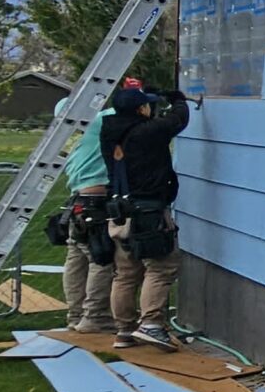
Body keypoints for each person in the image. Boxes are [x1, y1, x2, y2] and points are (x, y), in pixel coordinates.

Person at [102, 82, 194, 350]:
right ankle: (151, 325)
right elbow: (177, 120)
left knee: (126, 272)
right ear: (140, 108)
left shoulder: (110, 132)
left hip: (120, 212)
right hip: (149, 212)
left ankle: (124, 331)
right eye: (147, 104)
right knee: (162, 266)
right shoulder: (147, 132)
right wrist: (178, 99)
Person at [51, 92, 119, 335]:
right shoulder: (97, 123)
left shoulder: (66, 137)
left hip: (78, 200)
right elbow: (125, 109)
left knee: (76, 259)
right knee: (100, 259)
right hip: (96, 200)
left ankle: (76, 315)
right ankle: (95, 317)